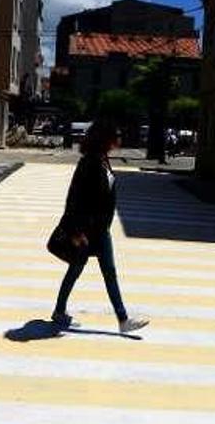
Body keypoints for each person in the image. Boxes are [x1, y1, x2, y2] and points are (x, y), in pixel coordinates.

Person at [52, 119, 150, 333]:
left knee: (109, 272)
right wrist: (76, 231)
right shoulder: (88, 163)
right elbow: (74, 198)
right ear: (105, 139)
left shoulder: (103, 159)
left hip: (100, 229)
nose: (120, 138)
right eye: (116, 134)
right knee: (76, 269)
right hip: (86, 230)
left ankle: (123, 320)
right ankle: (59, 312)